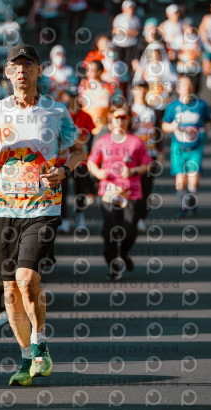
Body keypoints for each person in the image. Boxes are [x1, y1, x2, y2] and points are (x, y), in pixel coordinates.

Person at [0, 44, 86, 386]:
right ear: (7, 72)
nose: (21, 71)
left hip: (42, 207)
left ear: (38, 71)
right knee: (10, 289)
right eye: (15, 66)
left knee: (27, 279)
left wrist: (65, 170)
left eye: (27, 65)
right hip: (3, 208)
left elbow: (78, 150)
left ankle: (40, 345)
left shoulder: (56, 112)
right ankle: (25, 357)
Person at [88, 105, 152, 280]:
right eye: (117, 117)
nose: (120, 121)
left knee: (130, 229)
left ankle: (123, 253)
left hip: (130, 192)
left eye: (124, 117)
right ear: (111, 120)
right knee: (110, 230)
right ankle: (113, 264)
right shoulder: (103, 141)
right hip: (109, 192)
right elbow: (91, 162)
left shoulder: (136, 142)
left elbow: (147, 164)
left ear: (128, 120)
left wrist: (133, 171)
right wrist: (98, 173)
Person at [162, 76, 211, 218]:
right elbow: (164, 125)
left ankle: (191, 199)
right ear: (178, 89)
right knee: (180, 179)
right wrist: (172, 127)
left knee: (193, 179)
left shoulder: (201, 105)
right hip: (179, 146)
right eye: (184, 85)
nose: (188, 88)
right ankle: (183, 206)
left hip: (195, 147)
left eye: (189, 85)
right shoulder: (173, 107)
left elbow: (208, 121)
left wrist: (203, 131)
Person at [131, 81, 163, 232]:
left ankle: (141, 218)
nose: (140, 92)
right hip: (132, 155)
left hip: (149, 154)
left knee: (146, 187)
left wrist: (160, 151)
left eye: (143, 89)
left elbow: (158, 132)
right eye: (137, 89)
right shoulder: (129, 110)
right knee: (132, 186)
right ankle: (131, 216)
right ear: (133, 91)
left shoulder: (152, 111)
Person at [65, 87, 96, 229]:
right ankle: (63, 218)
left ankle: (79, 214)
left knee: (81, 187)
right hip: (64, 158)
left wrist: (90, 156)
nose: (74, 100)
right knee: (63, 189)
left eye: (76, 97)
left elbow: (91, 138)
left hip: (80, 159)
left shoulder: (86, 116)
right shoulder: (62, 116)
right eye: (71, 97)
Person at [77, 60, 113, 138]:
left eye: (92, 70)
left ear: (100, 71)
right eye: (87, 69)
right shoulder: (83, 85)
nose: (88, 72)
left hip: (103, 128)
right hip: (85, 128)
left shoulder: (109, 87)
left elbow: (113, 107)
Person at [111, 0, 141, 75]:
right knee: (118, 62)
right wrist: (124, 32)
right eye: (128, 8)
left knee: (129, 62)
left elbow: (137, 32)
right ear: (124, 9)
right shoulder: (119, 18)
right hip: (119, 44)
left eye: (132, 8)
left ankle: (128, 76)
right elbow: (114, 30)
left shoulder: (136, 19)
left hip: (131, 45)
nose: (130, 10)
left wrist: (129, 32)